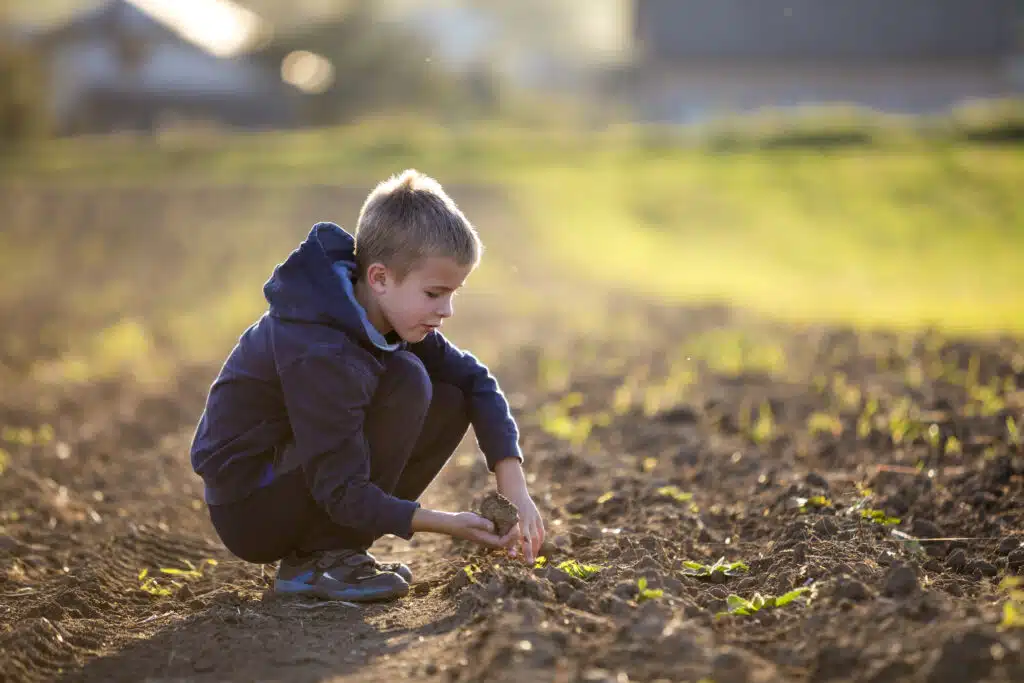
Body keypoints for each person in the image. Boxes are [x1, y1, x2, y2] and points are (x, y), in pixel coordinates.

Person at [189, 169, 544, 602]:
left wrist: (514, 487)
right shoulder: (319, 347)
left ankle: (335, 552)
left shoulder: (382, 312)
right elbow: (338, 486)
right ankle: (318, 561)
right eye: (434, 294)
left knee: (452, 392)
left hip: (301, 475)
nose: (447, 310)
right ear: (379, 278)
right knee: (409, 379)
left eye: (454, 294)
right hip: (252, 505)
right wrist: (443, 521)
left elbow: (477, 381)